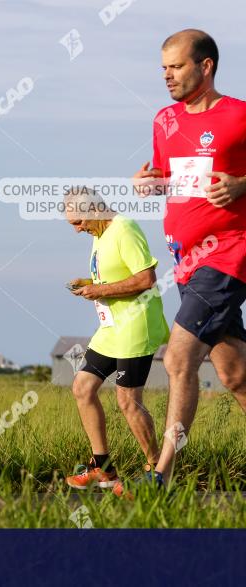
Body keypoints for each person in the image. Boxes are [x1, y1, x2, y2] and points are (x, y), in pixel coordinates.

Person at [133, 30, 246, 488]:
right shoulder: (164, 120)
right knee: (235, 374)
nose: (167, 76)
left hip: (229, 253)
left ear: (206, 66)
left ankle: (162, 474)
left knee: (179, 358)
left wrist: (242, 185)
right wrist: (150, 181)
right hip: (186, 262)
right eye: (163, 68)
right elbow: (167, 173)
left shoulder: (239, 115)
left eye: (176, 67)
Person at [62, 188, 168, 495]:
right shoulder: (99, 234)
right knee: (82, 388)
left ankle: (157, 473)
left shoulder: (125, 228)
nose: (77, 229)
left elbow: (146, 279)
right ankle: (103, 469)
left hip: (136, 327)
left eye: (78, 221)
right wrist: (90, 283)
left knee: (128, 402)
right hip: (111, 329)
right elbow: (113, 277)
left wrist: (99, 291)